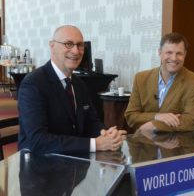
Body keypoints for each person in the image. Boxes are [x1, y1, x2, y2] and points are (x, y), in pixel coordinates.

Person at [18, 25, 127, 154]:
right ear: (52, 47)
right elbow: (38, 141)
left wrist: (107, 134)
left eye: (80, 45)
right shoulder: (33, 84)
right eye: (68, 44)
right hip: (39, 165)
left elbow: (91, 122)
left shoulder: (79, 83)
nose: (76, 51)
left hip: (75, 163)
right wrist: (95, 144)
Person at [125, 32, 194, 132]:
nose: (174, 58)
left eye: (179, 53)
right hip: (144, 143)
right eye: (169, 52)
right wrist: (157, 116)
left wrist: (155, 125)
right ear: (159, 52)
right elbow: (131, 116)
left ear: (185, 55)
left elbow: (192, 120)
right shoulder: (140, 78)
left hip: (177, 144)